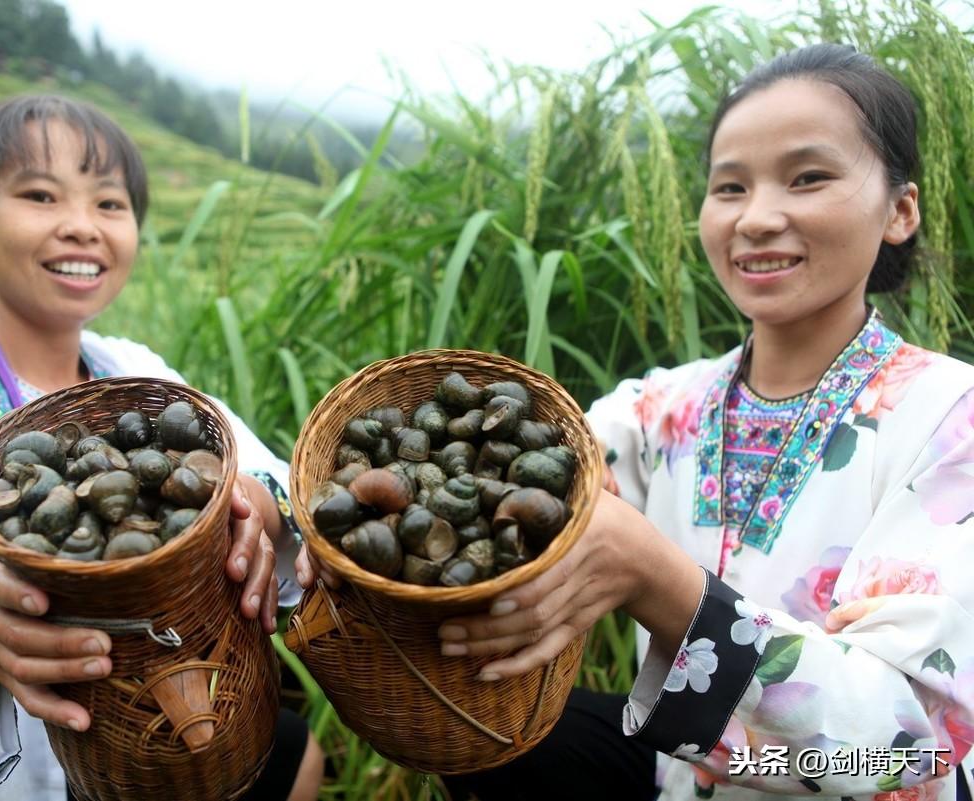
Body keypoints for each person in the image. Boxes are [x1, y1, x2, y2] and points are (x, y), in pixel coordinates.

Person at [302, 44, 974, 800]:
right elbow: (519, 479)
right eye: (729, 187)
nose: (756, 217)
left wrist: (664, 584)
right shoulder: (663, 407)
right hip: (678, 774)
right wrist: (341, 538)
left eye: (807, 177)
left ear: (900, 209)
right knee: (499, 747)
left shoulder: (950, 417)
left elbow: (908, 752)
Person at [0, 95, 324, 800]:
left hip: (171, 736)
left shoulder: (136, 371)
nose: (81, 227)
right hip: (32, 780)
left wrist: (248, 520)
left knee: (298, 755)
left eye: (110, 204)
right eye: (39, 194)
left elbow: (275, 487)